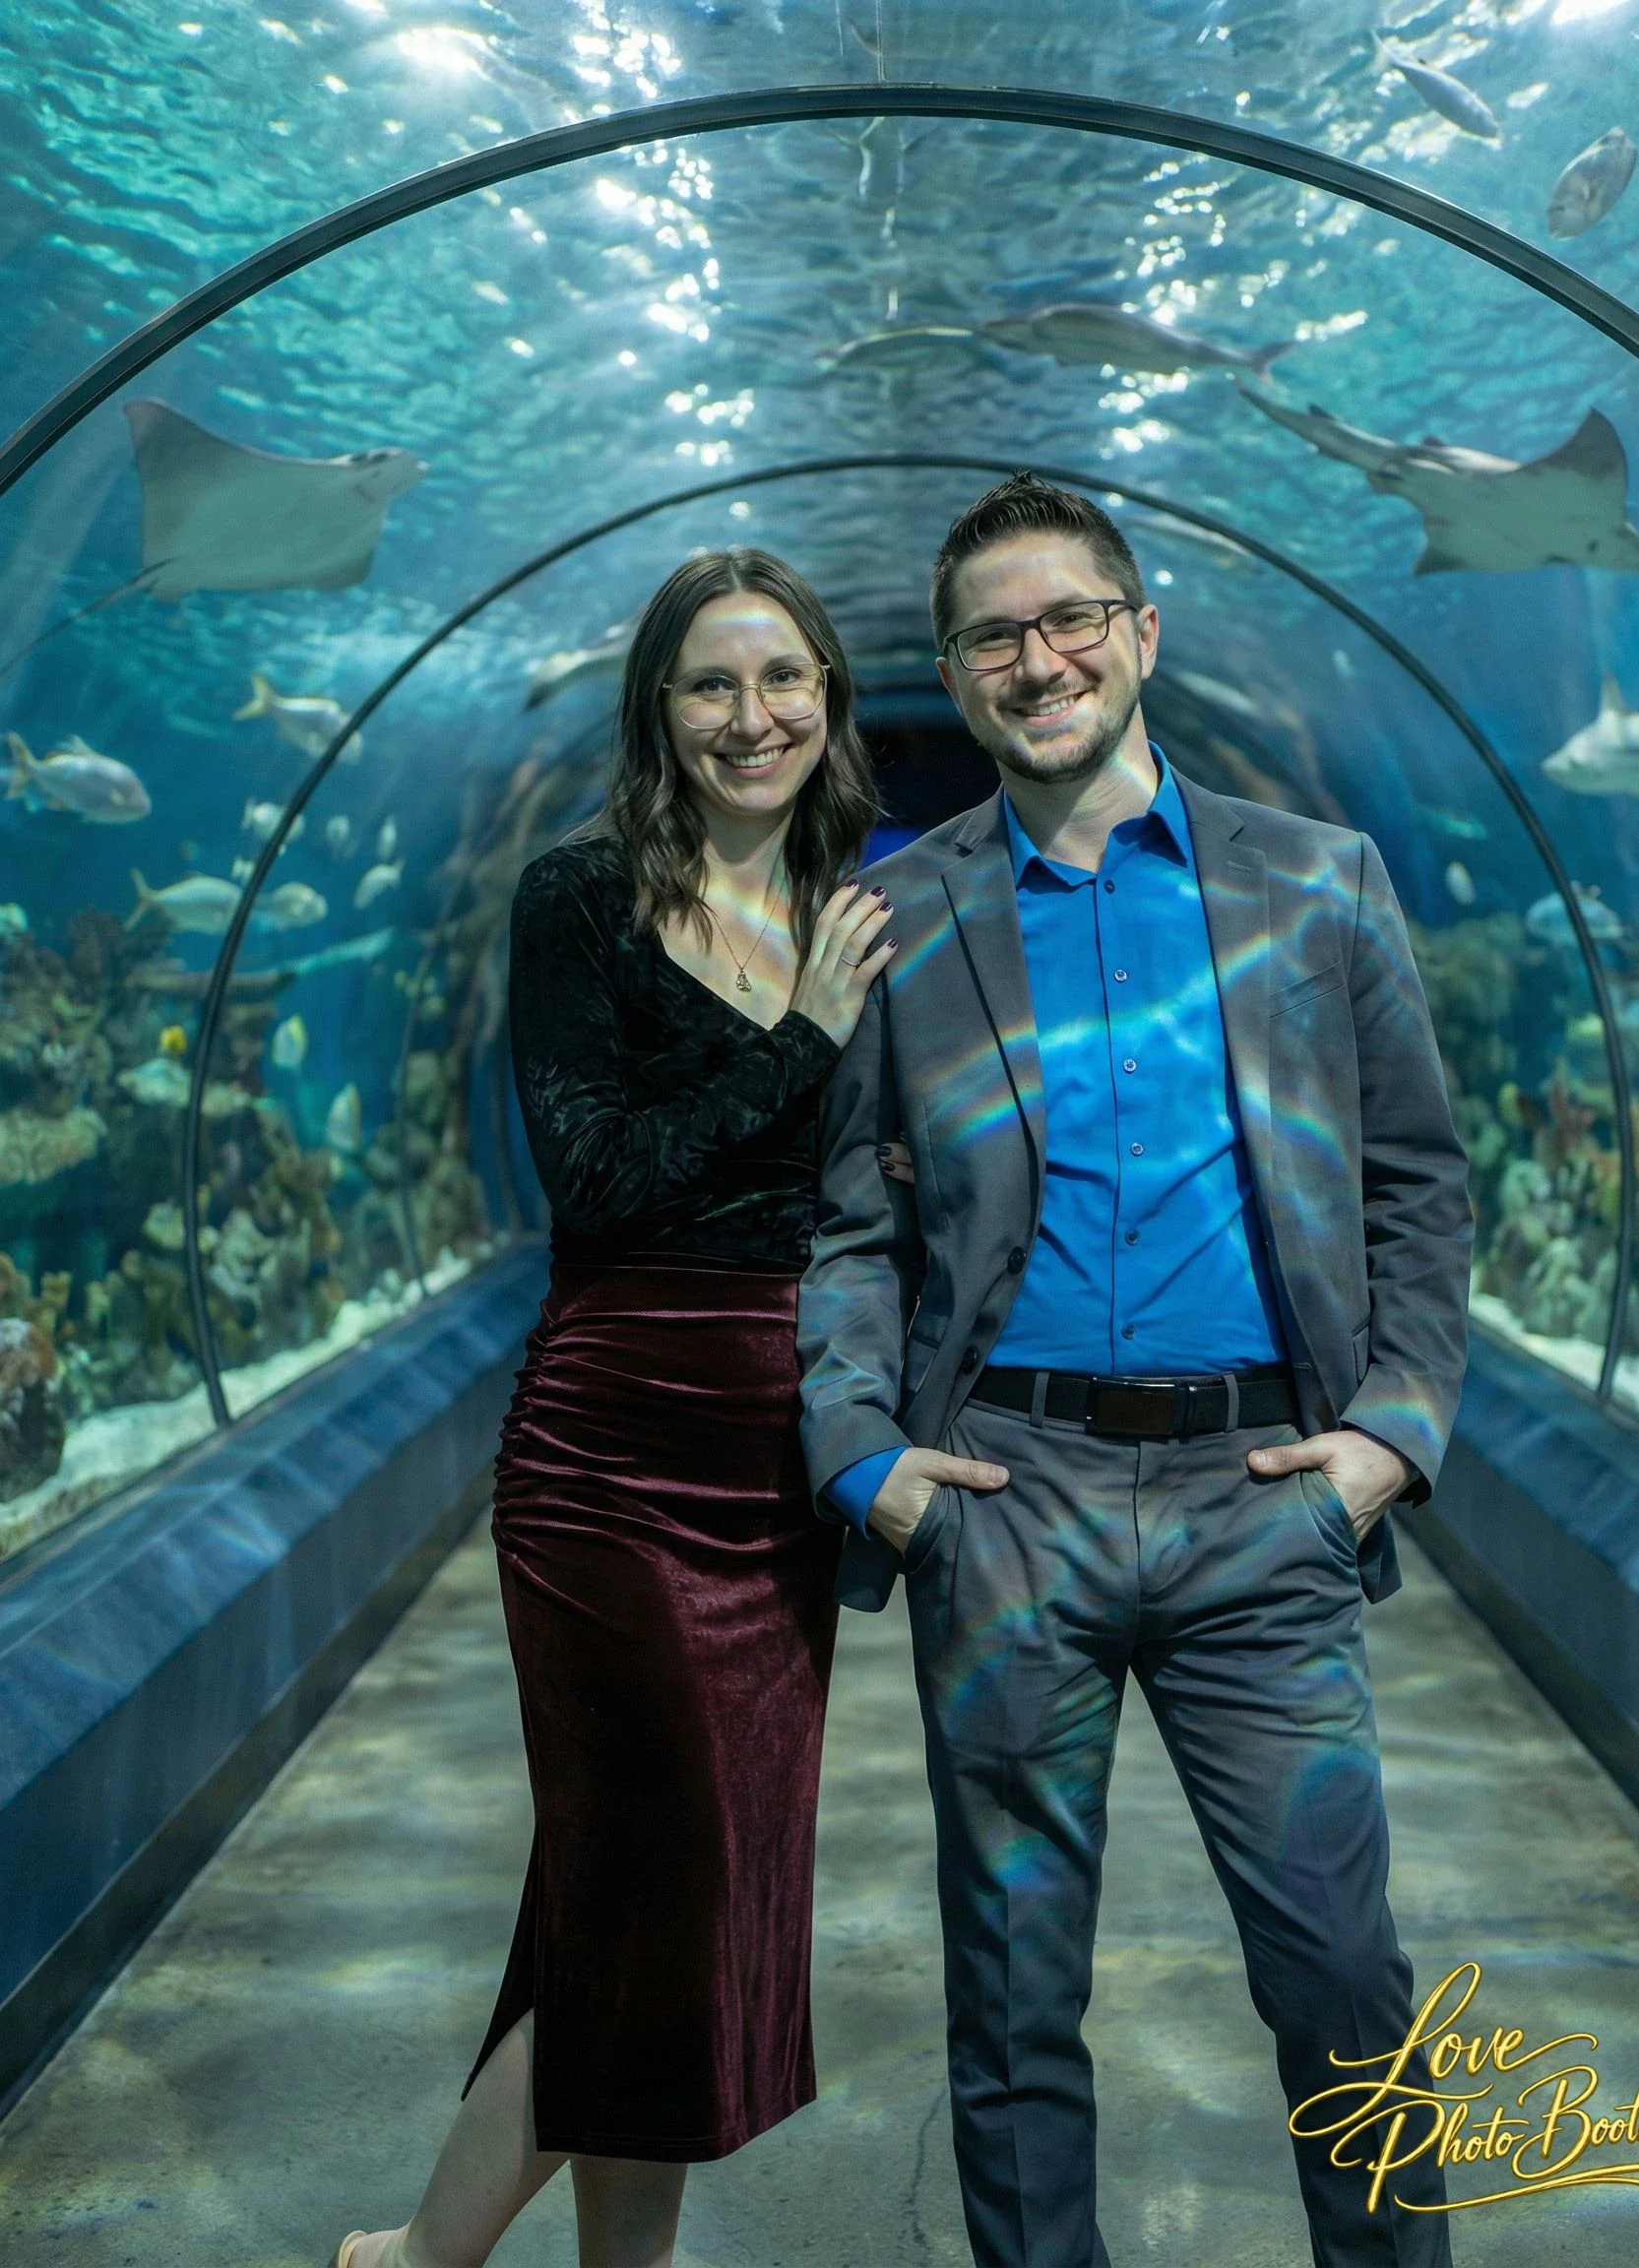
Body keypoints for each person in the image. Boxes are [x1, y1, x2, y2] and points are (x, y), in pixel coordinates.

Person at [798, 472, 1473, 2268]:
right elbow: (851, 1225)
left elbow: (1418, 1185)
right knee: (1013, 2008)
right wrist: (865, 1457)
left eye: (1072, 617)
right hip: (1008, 1505)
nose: (1041, 660)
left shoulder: (1320, 883)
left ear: (1141, 632)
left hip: (1271, 1505)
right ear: (953, 672)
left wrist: (1388, 1442)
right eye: (995, 636)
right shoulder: (902, 914)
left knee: (1345, 1977)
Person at [333, 549, 895, 2268]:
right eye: (711, 684)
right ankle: (421, 2264)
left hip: (774, 1465)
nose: (753, 716)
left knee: (629, 1904)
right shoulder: (580, 899)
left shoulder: (867, 904)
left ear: (829, 699)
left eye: (784, 678)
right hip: (611, 1457)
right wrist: (798, 1037)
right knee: (649, 1892)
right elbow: (598, 1175)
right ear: (659, 711)